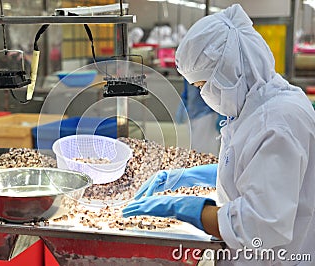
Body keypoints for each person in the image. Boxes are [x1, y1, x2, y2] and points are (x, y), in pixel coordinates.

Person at [123, 4, 315, 265]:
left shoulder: (278, 122)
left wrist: (186, 209)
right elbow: (252, 172)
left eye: (203, 85)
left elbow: (261, 225)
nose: (203, 94)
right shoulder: (255, 107)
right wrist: (187, 177)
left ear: (230, 72)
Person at [176, 79, 222, 156]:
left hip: (207, 116)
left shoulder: (206, 71)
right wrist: (183, 105)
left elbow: (217, 93)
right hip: (192, 116)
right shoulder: (186, 70)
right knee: (195, 152)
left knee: (206, 153)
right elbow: (187, 92)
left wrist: (221, 115)